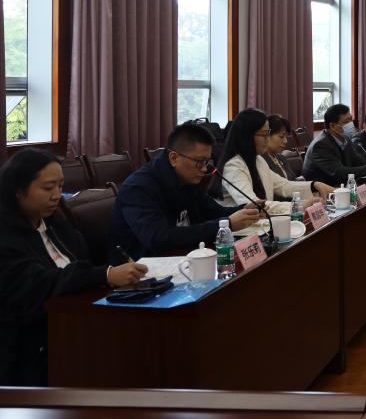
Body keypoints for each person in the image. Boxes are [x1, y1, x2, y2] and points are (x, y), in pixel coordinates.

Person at [0, 149, 149, 386]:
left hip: (73, 323)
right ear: (18, 190)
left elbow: (80, 264)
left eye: (60, 186)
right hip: (31, 345)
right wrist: (105, 274)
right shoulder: (6, 235)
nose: (57, 195)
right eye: (48, 188)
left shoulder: (53, 222)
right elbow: (38, 283)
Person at [109, 123, 261, 261]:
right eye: (200, 162)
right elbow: (159, 238)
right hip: (143, 268)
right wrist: (226, 225)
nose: (204, 169)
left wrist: (245, 210)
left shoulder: (187, 178)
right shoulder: (139, 187)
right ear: (174, 158)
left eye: (207, 162)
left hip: (182, 256)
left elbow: (214, 211)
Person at [220, 108, 332, 216]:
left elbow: (284, 185)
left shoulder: (258, 160)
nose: (267, 139)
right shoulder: (233, 167)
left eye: (268, 133)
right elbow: (253, 205)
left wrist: (314, 185)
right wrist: (299, 206)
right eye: (264, 134)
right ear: (247, 136)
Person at [303, 104, 366, 186]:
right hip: (324, 188)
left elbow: (357, 160)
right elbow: (339, 172)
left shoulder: (345, 138)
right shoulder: (320, 145)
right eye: (346, 122)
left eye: (351, 120)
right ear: (332, 126)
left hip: (342, 184)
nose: (351, 124)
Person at [262, 114, 297, 181]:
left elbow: (293, 180)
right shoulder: (261, 160)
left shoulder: (281, 158)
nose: (285, 141)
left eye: (286, 137)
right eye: (281, 136)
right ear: (267, 135)